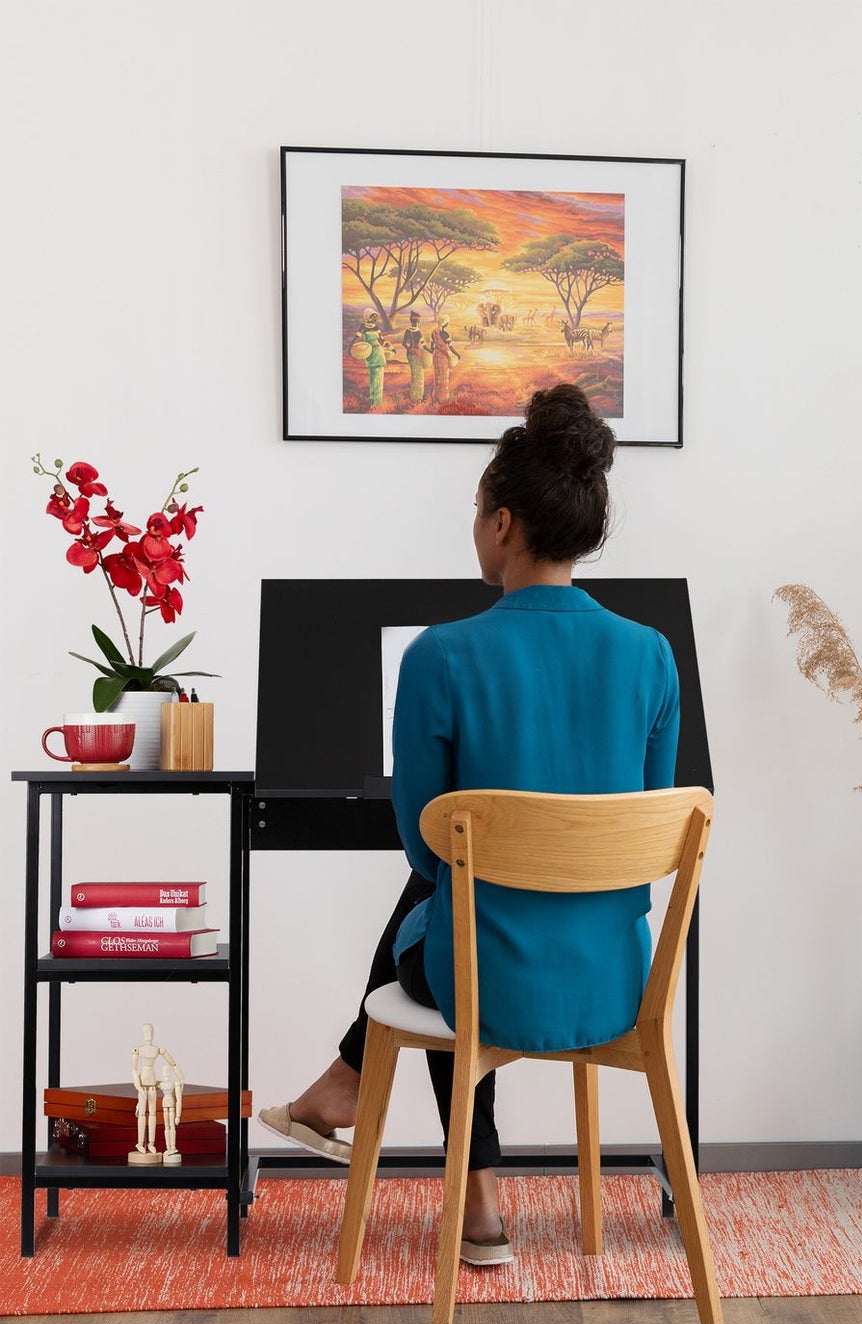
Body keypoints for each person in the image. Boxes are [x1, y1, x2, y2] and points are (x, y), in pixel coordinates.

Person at [259, 384, 680, 1266]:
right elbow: (646, 832)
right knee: (455, 902)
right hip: (617, 984)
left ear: (501, 523)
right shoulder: (651, 655)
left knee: (446, 904)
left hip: (488, 983)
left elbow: (420, 845)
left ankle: (453, 1173)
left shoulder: (439, 657)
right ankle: (401, 1136)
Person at [401, 310, 427, 404]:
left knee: (414, 375)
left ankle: (414, 396)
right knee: (419, 376)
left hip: (410, 354)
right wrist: (429, 350)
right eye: (418, 321)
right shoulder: (418, 332)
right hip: (416, 355)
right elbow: (424, 345)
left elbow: (404, 343)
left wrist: (409, 349)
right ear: (417, 322)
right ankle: (417, 398)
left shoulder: (407, 331)